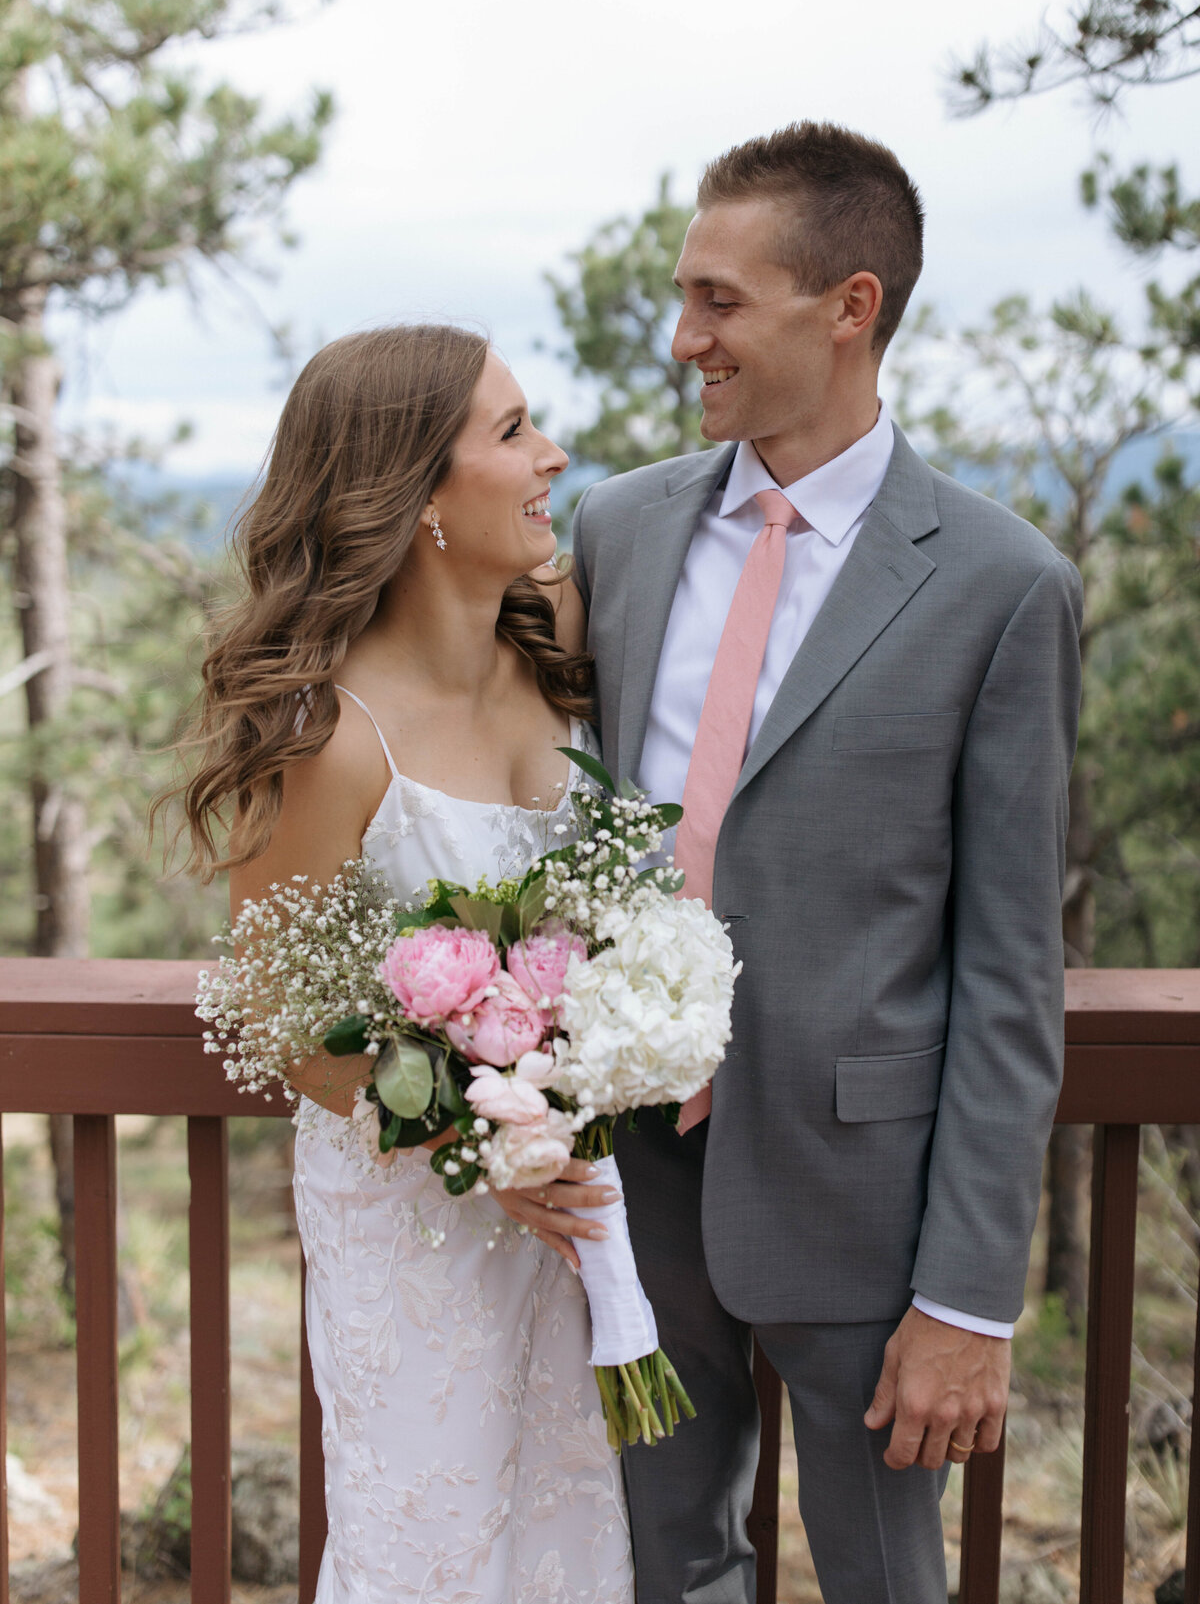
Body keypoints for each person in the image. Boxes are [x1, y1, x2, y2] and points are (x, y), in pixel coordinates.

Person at [570, 122, 1084, 1604]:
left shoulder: (1001, 585)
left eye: (720, 302)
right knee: (668, 1565)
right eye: (686, 297)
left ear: (848, 305)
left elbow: (1007, 971)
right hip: (638, 1190)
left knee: (883, 1582)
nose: (685, 339)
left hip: (864, 1201)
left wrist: (969, 1291)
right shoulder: (620, 528)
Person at [181, 325, 634, 1604]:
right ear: (416, 494)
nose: (551, 457)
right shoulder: (332, 736)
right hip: (416, 1215)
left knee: (570, 1520)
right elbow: (284, 1015)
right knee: (432, 1543)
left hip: (574, 1203)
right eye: (510, 432)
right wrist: (484, 1150)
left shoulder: (558, 632)